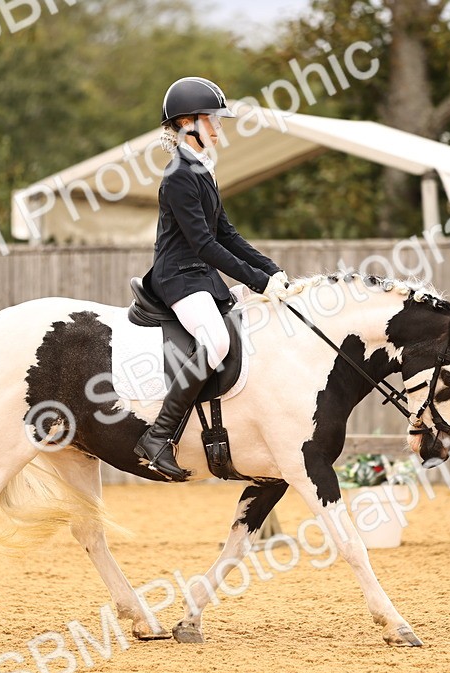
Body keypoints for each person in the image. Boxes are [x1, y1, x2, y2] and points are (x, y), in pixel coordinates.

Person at [134, 77, 291, 481]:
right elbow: (203, 244)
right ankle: (158, 436)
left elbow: (227, 234)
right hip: (179, 278)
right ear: (187, 123)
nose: (219, 128)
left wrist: (272, 271)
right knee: (217, 341)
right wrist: (257, 281)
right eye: (212, 121)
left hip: (200, 276)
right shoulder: (179, 176)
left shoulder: (202, 170)